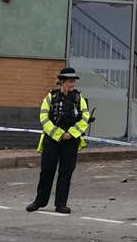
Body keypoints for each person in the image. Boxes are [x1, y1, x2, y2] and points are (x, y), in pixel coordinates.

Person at [26, 67, 91, 214]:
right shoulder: (50, 97)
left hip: (71, 141)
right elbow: (44, 118)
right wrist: (59, 134)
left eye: (73, 81)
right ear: (62, 82)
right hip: (52, 140)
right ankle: (40, 201)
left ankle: (61, 204)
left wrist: (70, 134)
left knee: (66, 172)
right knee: (47, 170)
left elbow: (85, 118)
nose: (72, 84)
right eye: (69, 81)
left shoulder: (78, 98)